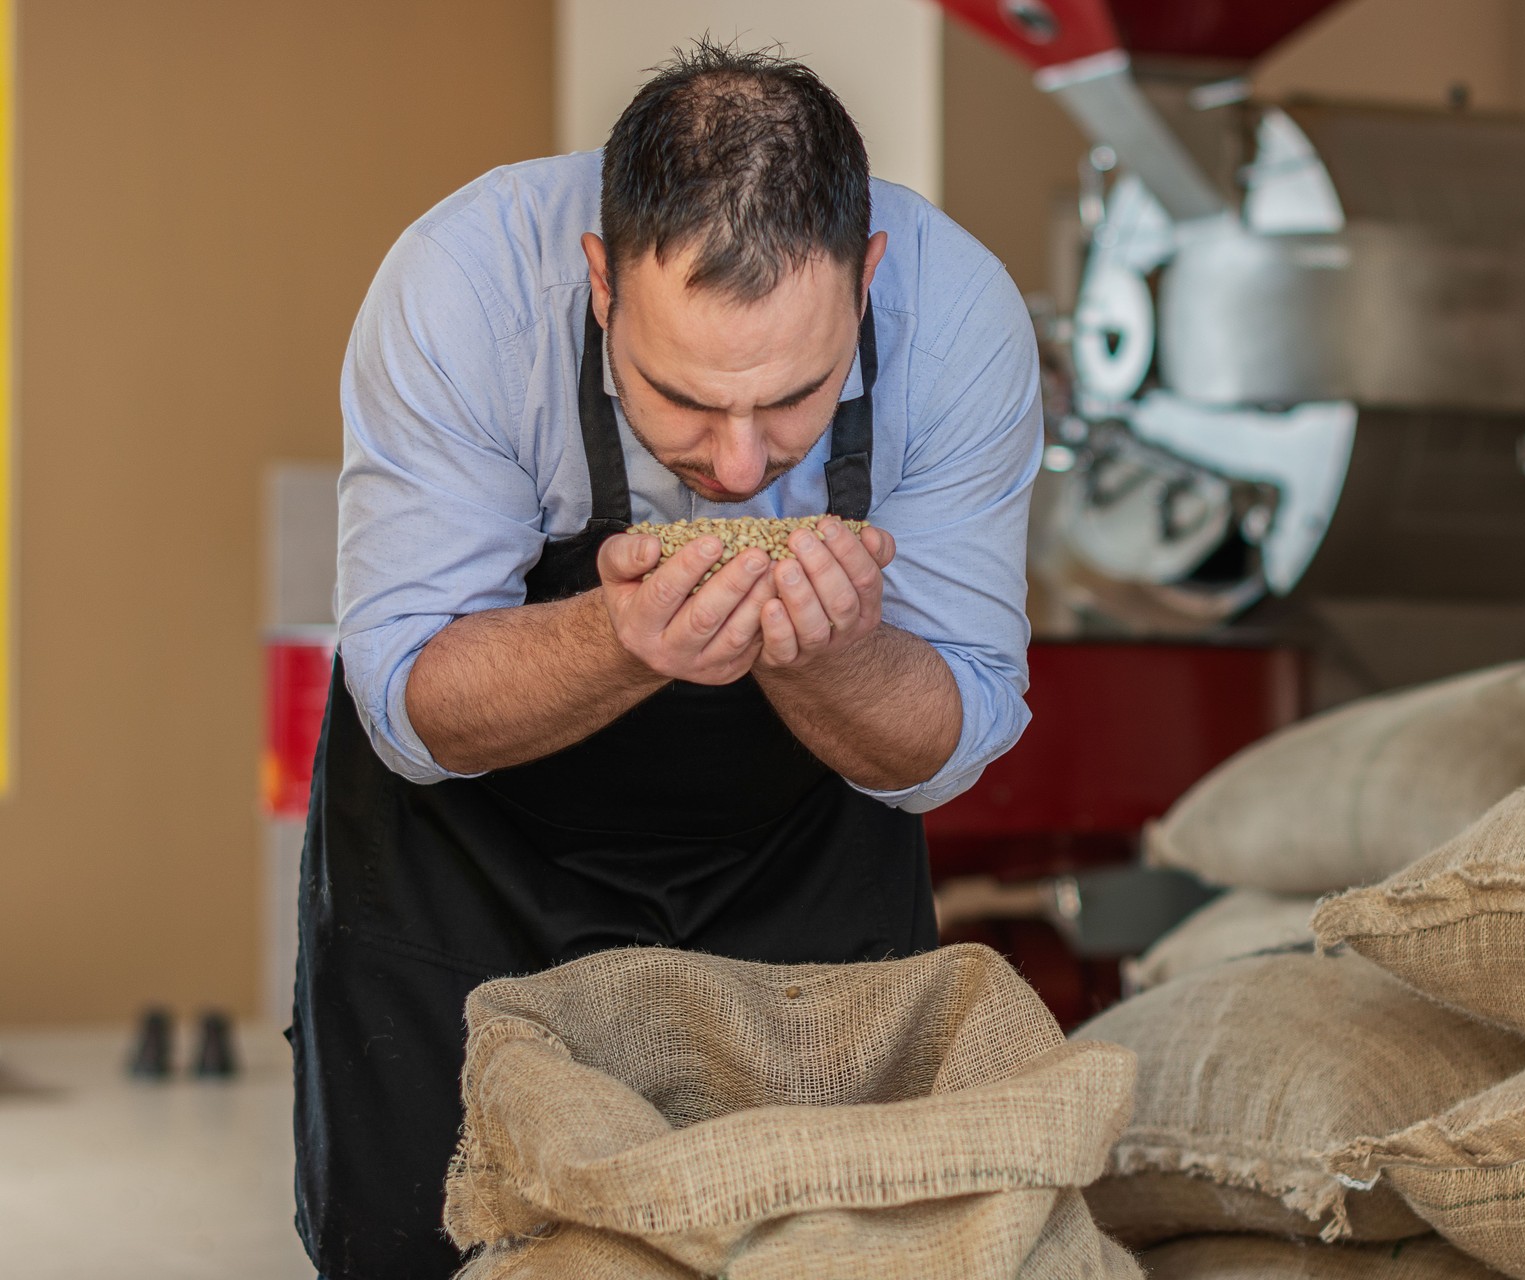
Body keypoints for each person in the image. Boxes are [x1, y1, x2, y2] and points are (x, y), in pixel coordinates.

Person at [291, 40, 1041, 1279]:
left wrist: (837, 658)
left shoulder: (961, 320)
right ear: (599, 284)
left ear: (870, 281)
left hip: (800, 868)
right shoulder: (461, 286)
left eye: (796, 397)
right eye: (683, 398)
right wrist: (616, 635)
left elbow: (941, 751)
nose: (741, 466)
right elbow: (411, 705)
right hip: (466, 874)